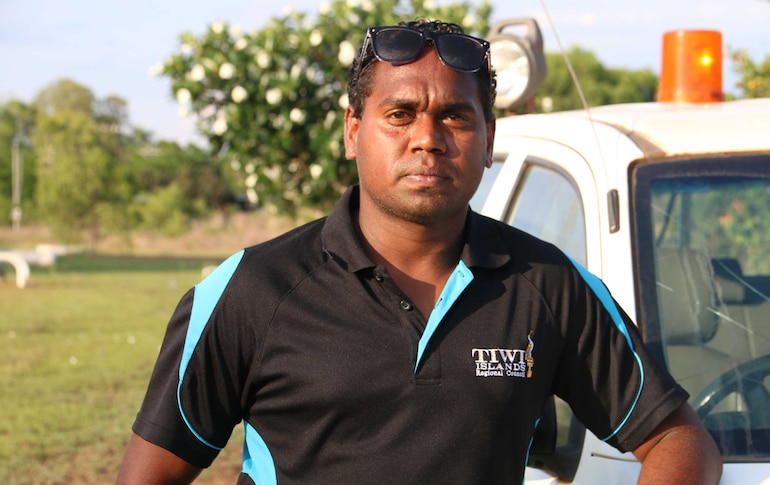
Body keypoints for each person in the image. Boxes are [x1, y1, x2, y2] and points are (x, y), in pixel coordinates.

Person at [116, 19, 722, 485]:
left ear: (489, 142)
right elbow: (153, 472)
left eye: (456, 117)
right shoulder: (253, 289)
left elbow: (679, 439)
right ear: (353, 130)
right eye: (399, 114)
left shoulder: (548, 285)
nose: (427, 139)